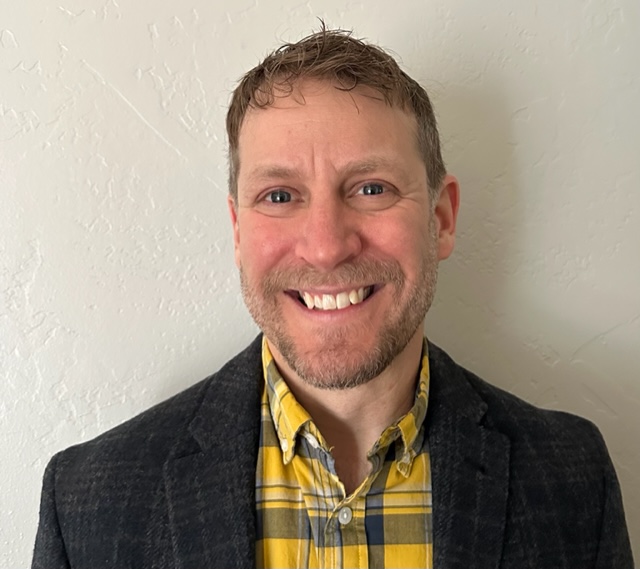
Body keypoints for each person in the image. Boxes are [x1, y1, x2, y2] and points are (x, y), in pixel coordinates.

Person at [32, 28, 633, 569]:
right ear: (238, 231)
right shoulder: (89, 503)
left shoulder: (569, 478)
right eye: (278, 196)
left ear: (442, 219)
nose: (325, 248)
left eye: (371, 188)